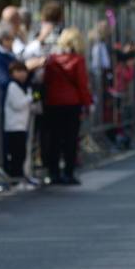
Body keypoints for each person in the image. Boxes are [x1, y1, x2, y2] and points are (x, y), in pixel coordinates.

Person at [42, 27, 93, 185]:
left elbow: (46, 81)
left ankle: (53, 172)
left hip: (53, 103)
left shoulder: (51, 59)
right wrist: (87, 103)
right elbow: (82, 84)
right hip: (72, 103)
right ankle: (68, 173)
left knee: (54, 139)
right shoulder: (78, 60)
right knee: (70, 139)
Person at [3, 59, 34, 179]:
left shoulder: (24, 87)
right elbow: (18, 105)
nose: (22, 74)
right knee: (16, 154)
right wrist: (30, 98)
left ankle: (21, 176)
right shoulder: (12, 86)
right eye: (18, 71)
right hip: (13, 126)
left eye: (24, 71)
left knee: (22, 153)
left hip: (22, 125)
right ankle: (16, 177)